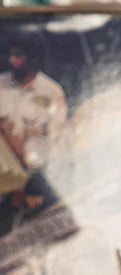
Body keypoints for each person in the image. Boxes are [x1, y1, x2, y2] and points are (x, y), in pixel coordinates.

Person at [0, 30, 68, 235]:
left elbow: (56, 143)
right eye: (11, 54)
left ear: (33, 58)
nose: (12, 60)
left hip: (37, 183)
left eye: (18, 55)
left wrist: (33, 185)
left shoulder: (51, 92)